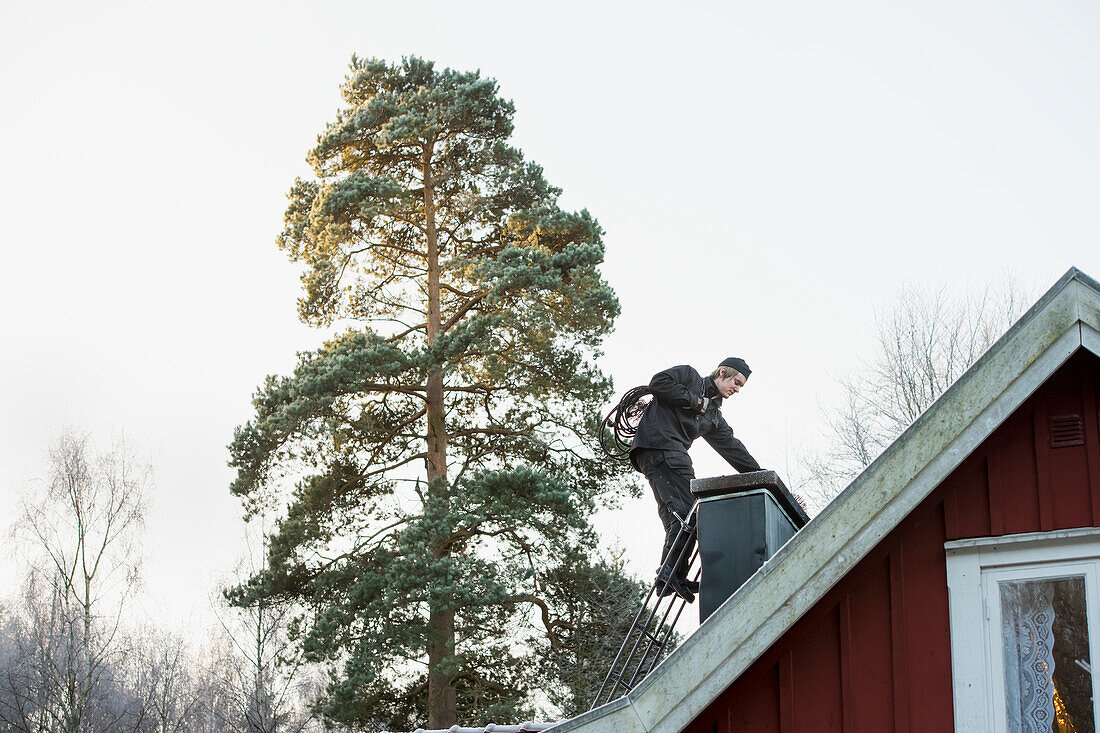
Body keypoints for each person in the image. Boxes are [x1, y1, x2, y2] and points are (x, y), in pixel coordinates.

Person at [629, 357, 761, 602]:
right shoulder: (688, 377)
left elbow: (733, 448)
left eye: (741, 386)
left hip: (661, 456)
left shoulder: (713, 416)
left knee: (679, 517)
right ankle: (670, 573)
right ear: (722, 372)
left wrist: (760, 476)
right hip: (663, 449)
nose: (737, 389)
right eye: (736, 381)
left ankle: (671, 576)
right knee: (690, 514)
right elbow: (658, 383)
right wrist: (695, 401)